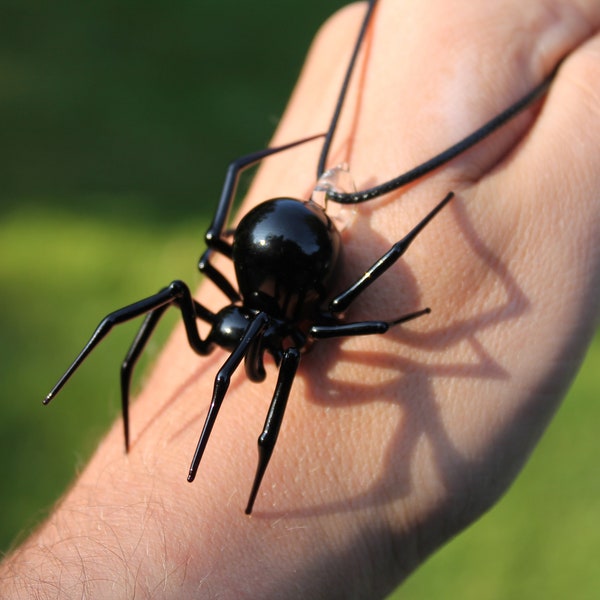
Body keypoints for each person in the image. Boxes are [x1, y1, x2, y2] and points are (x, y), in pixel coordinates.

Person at [1, 0, 598, 597]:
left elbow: (366, 318)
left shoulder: (287, 333)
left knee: (264, 330)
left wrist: (413, 262)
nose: (227, 360)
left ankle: (249, 489)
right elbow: (261, 282)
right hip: (272, 259)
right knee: (181, 297)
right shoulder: (249, 325)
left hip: (291, 262)